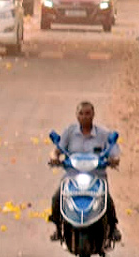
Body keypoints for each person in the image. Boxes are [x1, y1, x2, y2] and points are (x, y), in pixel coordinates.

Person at [49, 101, 122, 243]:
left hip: (96, 177)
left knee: (106, 198)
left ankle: (113, 227)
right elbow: (56, 150)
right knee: (57, 197)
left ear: (93, 114)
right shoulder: (69, 132)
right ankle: (58, 228)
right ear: (76, 115)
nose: (84, 117)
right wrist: (54, 158)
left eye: (88, 113)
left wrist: (114, 160)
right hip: (72, 176)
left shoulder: (103, 134)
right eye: (81, 113)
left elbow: (114, 153)